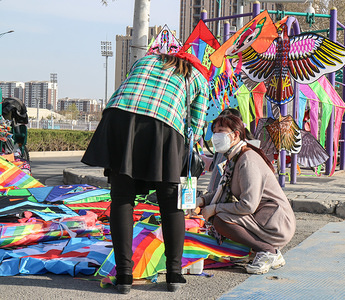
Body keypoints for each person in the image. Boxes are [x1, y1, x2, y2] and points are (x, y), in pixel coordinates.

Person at [81, 52, 209, 294]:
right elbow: (195, 127)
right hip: (163, 125)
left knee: (122, 198)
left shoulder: (144, 61)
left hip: (118, 117)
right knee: (171, 204)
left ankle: (124, 276)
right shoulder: (198, 78)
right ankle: (173, 274)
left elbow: (129, 87)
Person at [196, 114, 296, 275]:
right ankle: (256, 250)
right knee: (219, 215)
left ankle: (268, 251)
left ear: (235, 134)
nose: (215, 136)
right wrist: (201, 200)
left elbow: (248, 205)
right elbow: (222, 189)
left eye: (221, 131)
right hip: (262, 218)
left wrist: (215, 208)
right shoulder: (234, 157)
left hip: (276, 222)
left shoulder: (247, 159)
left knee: (220, 219)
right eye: (214, 132)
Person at [201, 108, 255, 192]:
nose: (216, 135)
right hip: (215, 195)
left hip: (227, 198)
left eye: (221, 129)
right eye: (215, 131)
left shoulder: (244, 151)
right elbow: (214, 165)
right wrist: (200, 159)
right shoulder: (222, 147)